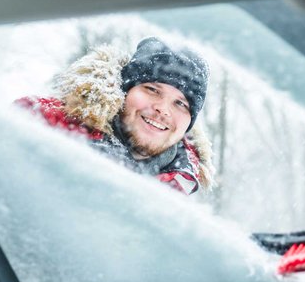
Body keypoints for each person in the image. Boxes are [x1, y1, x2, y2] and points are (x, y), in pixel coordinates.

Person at [16, 37, 213, 195]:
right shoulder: (39, 121)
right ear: (123, 91)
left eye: (180, 103)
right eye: (152, 89)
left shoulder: (178, 189)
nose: (163, 109)